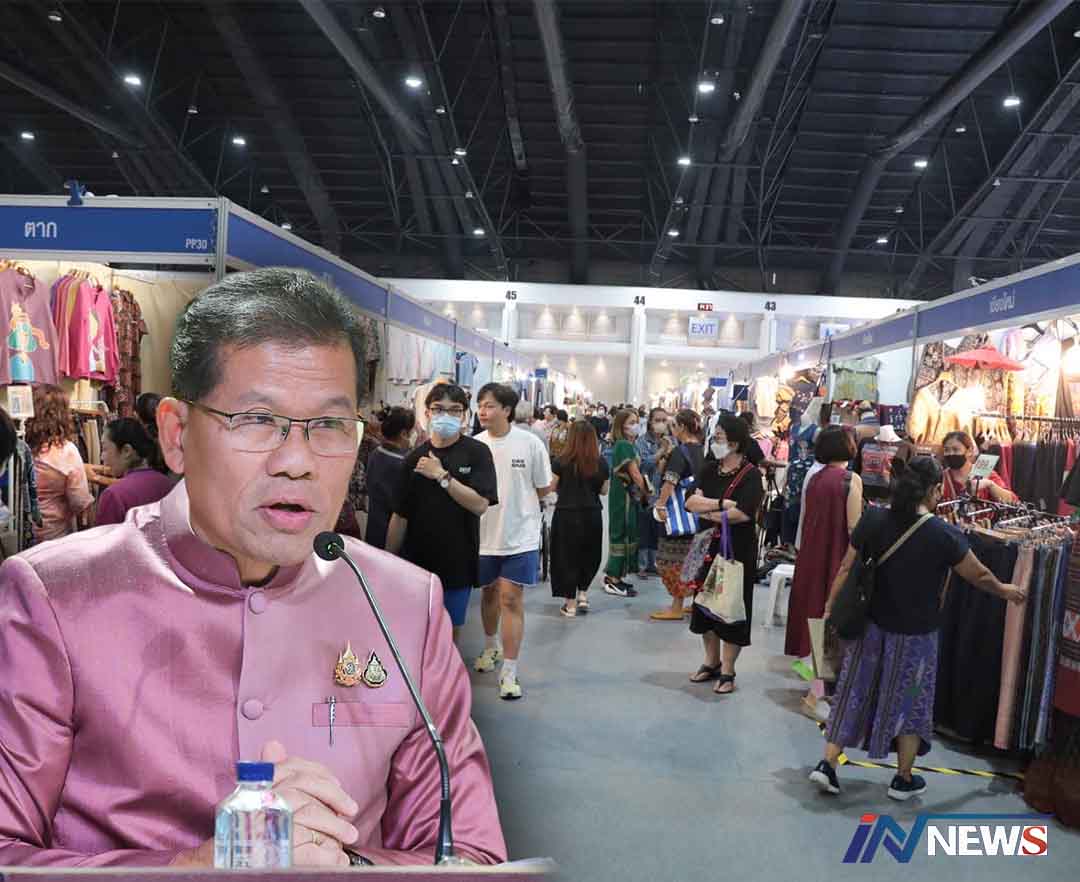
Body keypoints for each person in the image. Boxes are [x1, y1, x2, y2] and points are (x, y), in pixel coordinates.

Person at [0, 268, 506, 867]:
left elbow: (470, 856)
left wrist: (347, 866)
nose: (297, 462)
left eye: (329, 426)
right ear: (177, 435)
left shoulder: (403, 605)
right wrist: (196, 870)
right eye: (258, 421)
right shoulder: (56, 598)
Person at [810, 457, 1026, 800]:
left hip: (869, 627)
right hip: (915, 636)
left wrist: (830, 607)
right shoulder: (943, 534)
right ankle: (903, 778)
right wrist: (1005, 590)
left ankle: (827, 765)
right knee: (910, 702)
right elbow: (978, 574)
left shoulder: (874, 518)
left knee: (853, 692)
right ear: (935, 490)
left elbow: (846, 567)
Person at [388, 385, 497, 636]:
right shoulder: (413, 459)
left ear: (464, 415)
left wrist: (441, 476)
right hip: (416, 564)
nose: (446, 415)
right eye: (438, 409)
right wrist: (388, 560)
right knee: (415, 632)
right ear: (427, 413)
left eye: (454, 410)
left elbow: (480, 504)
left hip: (457, 562)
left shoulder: (477, 453)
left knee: (448, 633)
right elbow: (400, 516)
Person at [473, 383, 553, 701]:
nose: (483, 411)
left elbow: (543, 486)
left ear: (507, 410)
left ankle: (509, 670)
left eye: (490, 405)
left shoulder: (530, 444)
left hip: (521, 535)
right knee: (489, 592)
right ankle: (490, 645)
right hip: (483, 535)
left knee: (510, 599)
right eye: (480, 405)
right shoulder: (475, 445)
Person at [685, 414, 765, 694]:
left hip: (736, 550)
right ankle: (711, 661)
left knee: (731, 606)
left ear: (735, 442)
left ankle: (728, 669)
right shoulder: (709, 469)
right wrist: (720, 504)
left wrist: (707, 510)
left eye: (719, 436)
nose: (714, 441)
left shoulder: (751, 475)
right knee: (704, 604)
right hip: (707, 546)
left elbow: (742, 513)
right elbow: (690, 502)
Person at [549, 421, 610, 617]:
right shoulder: (601, 462)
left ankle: (570, 603)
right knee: (589, 553)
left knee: (566, 557)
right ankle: (583, 593)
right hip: (592, 513)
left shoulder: (561, 461)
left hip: (566, 513)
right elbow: (604, 490)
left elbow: (551, 486)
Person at [650, 409, 705, 620]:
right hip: (698, 513)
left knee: (672, 560)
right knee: (695, 558)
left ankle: (676, 606)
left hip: (679, 515)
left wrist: (660, 505)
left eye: (674, 425)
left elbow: (670, 481)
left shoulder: (680, 452)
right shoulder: (701, 450)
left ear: (682, 427)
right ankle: (695, 601)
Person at [26, 384, 95, 543]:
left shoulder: (20, 446)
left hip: (21, 537)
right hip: (55, 538)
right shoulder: (66, 452)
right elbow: (80, 503)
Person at [95, 418, 175, 526]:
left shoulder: (113, 495)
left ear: (126, 451)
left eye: (105, 449)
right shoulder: (168, 484)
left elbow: (105, 536)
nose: (102, 457)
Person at [603, 409, 646, 597]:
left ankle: (617, 576)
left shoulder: (629, 445)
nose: (635, 426)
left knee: (626, 532)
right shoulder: (623, 445)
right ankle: (612, 578)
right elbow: (635, 473)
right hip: (623, 496)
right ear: (621, 426)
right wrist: (648, 492)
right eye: (631, 422)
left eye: (637, 421)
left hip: (626, 494)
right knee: (621, 531)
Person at [363, 406, 415, 550]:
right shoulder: (402, 464)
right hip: (392, 538)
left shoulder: (376, 453)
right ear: (404, 433)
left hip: (374, 530)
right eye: (412, 431)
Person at [636, 408, 670, 576]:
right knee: (644, 529)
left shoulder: (670, 441)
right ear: (650, 422)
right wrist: (661, 452)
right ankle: (642, 565)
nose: (661, 423)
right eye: (658, 420)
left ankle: (654, 564)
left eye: (664, 420)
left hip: (663, 492)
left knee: (658, 529)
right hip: (646, 491)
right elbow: (643, 464)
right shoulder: (642, 441)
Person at [940, 430, 1017, 503]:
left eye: (955, 449)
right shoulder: (942, 477)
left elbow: (1012, 500)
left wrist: (990, 485)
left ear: (969, 451)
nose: (951, 454)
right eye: (947, 450)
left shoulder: (982, 471)